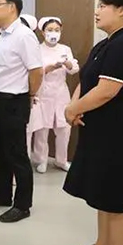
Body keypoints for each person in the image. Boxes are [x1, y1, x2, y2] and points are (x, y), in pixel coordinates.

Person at [64, 0, 123, 245]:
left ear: (122, 9)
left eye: (103, 5)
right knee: (102, 195)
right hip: (98, 131)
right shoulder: (106, 42)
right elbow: (87, 80)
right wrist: (75, 106)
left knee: (116, 201)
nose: (97, 11)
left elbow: (106, 91)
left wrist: (72, 109)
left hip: (116, 134)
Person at [0, 0, 43, 223]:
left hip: (13, 102)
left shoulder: (24, 35)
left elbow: (36, 71)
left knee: (16, 154)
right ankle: (3, 194)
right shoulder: (2, 35)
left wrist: (30, 95)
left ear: (12, 7)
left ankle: (22, 205)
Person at [30, 16, 79, 173]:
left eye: (57, 30)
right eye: (50, 30)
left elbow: (74, 70)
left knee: (64, 129)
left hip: (61, 93)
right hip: (44, 92)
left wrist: (67, 63)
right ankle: (41, 160)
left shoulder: (65, 49)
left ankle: (61, 160)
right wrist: (48, 69)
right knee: (42, 130)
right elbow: (34, 71)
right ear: (43, 32)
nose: (54, 33)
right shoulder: (37, 49)